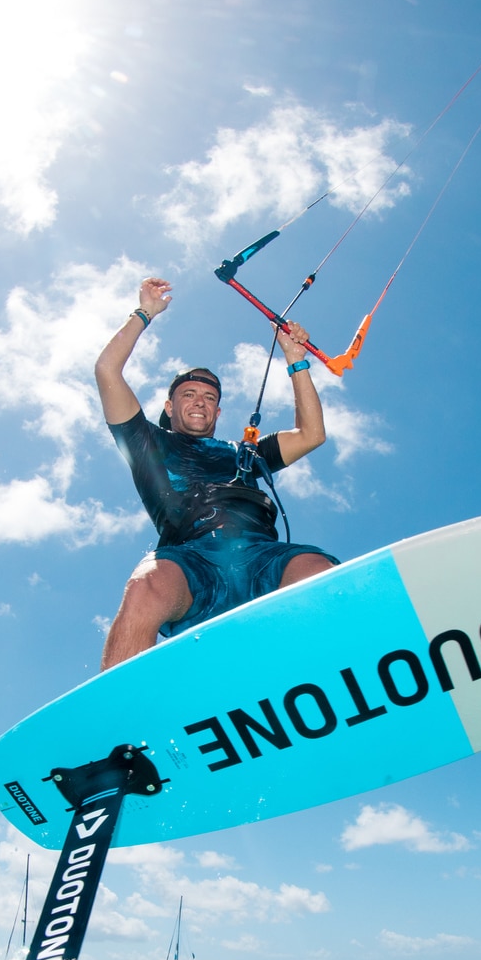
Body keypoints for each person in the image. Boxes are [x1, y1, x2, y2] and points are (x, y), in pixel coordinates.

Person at [94, 276, 337, 669]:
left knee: (320, 574)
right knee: (145, 586)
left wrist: (295, 357)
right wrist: (145, 313)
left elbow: (313, 434)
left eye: (209, 398)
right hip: (190, 562)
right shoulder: (145, 443)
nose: (199, 402)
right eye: (188, 394)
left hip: (261, 556)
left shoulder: (244, 453)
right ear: (170, 407)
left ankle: (340, 683)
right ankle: (117, 721)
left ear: (218, 412)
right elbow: (107, 370)